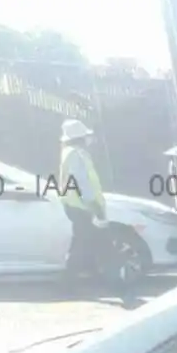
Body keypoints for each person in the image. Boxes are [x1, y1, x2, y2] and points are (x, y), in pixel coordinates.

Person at [58, 119, 109, 281]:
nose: (89, 139)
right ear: (79, 137)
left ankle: (90, 273)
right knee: (81, 242)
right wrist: (94, 205)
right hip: (82, 205)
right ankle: (68, 280)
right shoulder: (76, 155)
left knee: (87, 240)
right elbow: (81, 181)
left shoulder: (69, 152)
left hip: (75, 204)